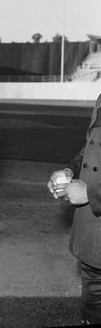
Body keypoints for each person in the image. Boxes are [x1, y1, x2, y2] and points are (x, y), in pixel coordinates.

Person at [48, 93, 101, 324]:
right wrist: (70, 171)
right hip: (94, 238)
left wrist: (90, 193)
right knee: (92, 309)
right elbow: (91, 147)